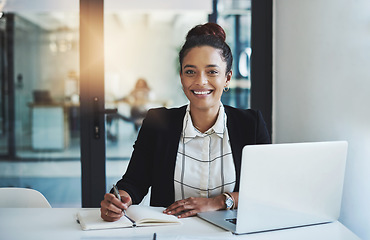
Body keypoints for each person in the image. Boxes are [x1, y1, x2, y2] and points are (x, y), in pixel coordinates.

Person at [100, 22, 271, 222]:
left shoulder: (250, 124)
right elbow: (134, 182)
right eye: (190, 72)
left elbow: (267, 190)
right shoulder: (158, 122)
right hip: (172, 232)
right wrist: (120, 201)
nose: (200, 81)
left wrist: (219, 202)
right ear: (181, 77)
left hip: (231, 234)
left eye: (212, 72)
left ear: (227, 78)